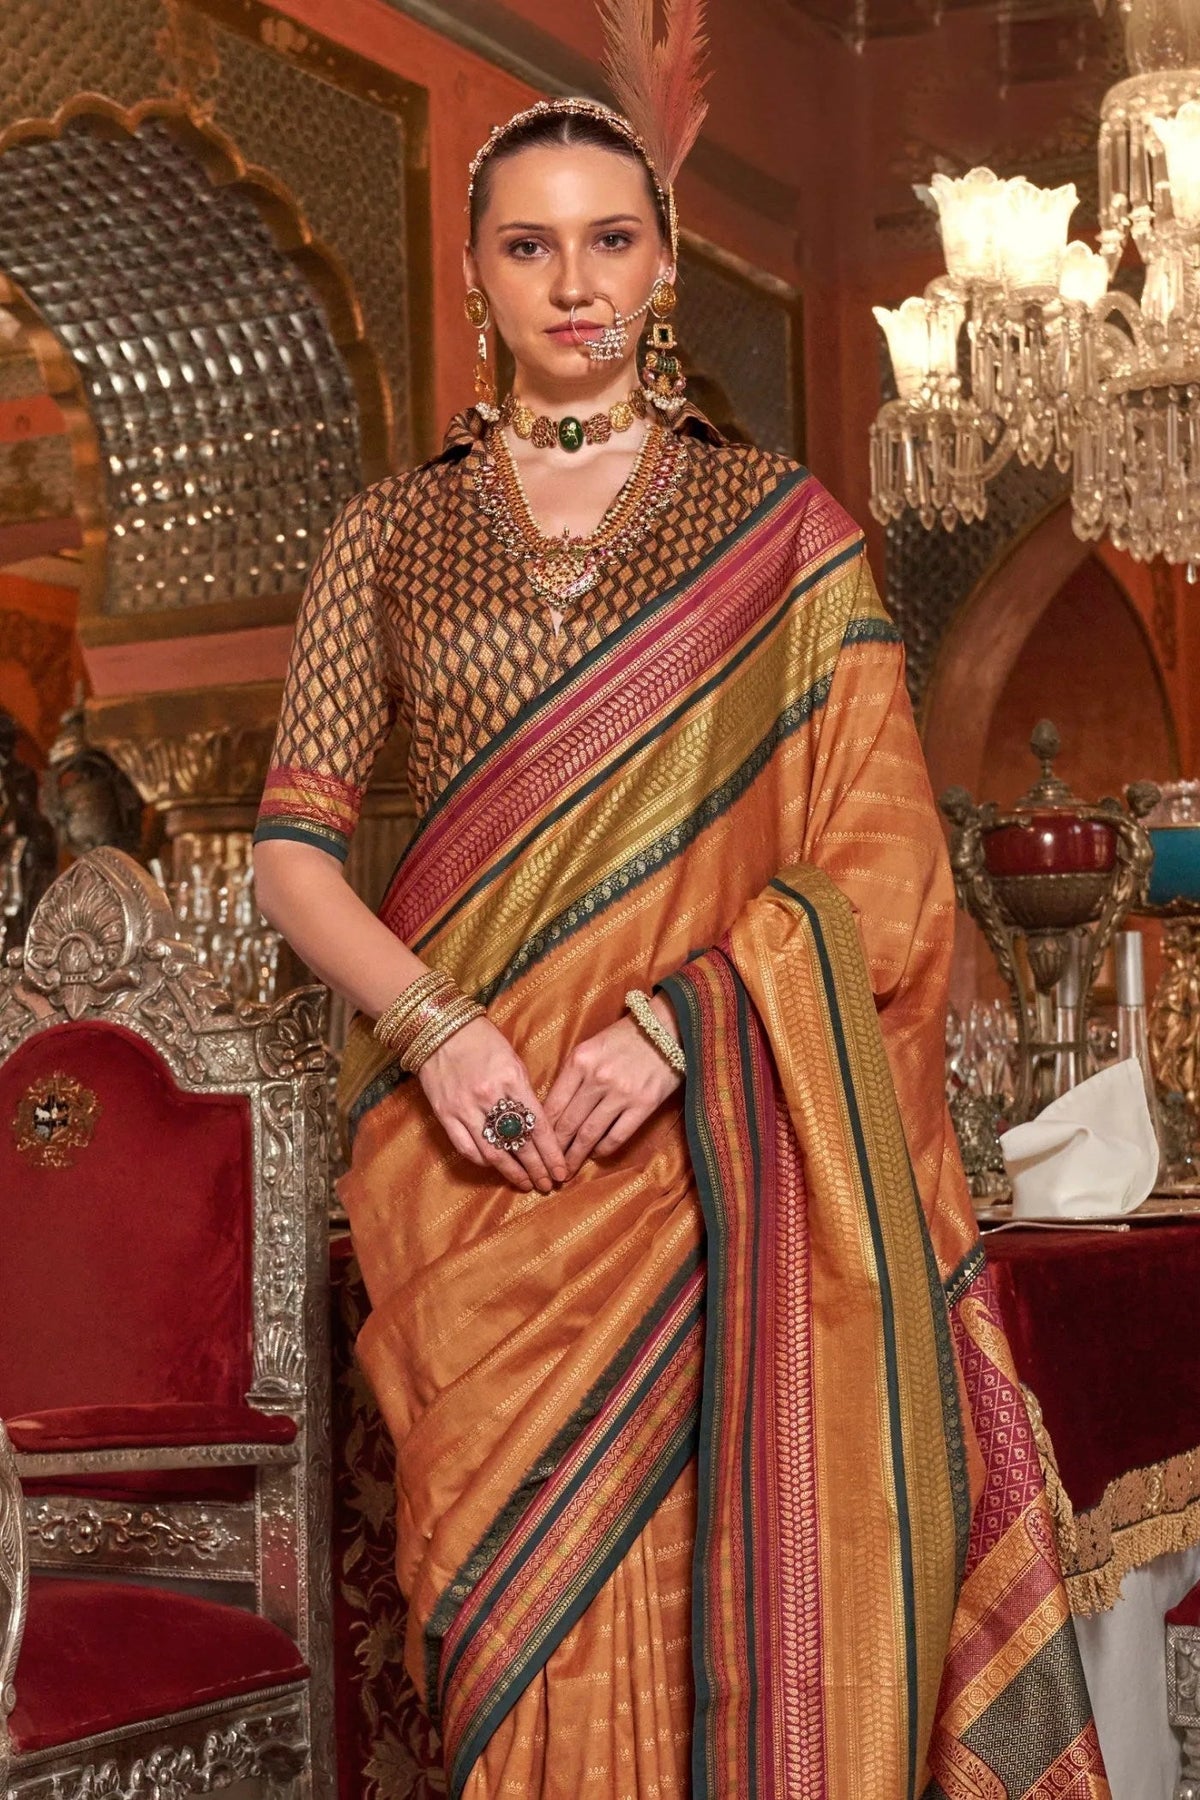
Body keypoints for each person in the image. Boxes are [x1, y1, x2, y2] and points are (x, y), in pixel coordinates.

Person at [253, 10, 1109, 1796]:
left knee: (739, 1594)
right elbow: (292, 855)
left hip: (716, 1165)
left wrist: (678, 1030)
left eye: (611, 240)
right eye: (529, 245)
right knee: (511, 1634)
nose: (574, 285)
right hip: (481, 1170)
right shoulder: (384, 537)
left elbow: (881, 865)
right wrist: (441, 1032)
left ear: (662, 264)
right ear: (475, 272)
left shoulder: (779, 528)